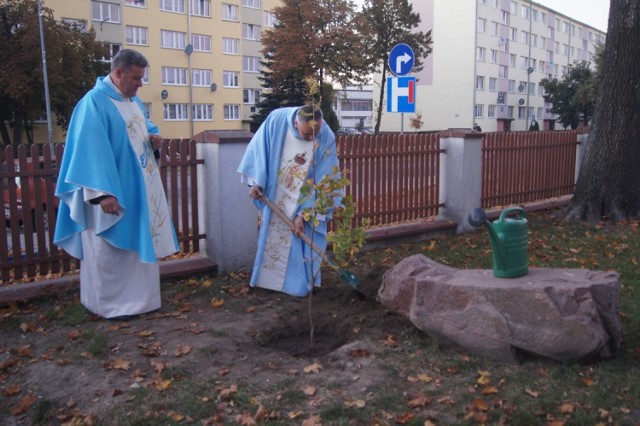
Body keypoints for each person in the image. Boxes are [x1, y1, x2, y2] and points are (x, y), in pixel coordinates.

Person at [54, 49, 179, 320]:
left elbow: (144, 130)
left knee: (137, 248)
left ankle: (143, 302)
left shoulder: (133, 102)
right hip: (111, 196)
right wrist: (103, 195)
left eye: (142, 78)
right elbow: (90, 151)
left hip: (139, 191)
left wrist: (153, 141)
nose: (140, 84)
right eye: (136, 78)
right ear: (118, 72)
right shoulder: (94, 103)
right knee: (110, 251)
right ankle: (110, 306)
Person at [237, 105, 340, 297]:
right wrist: (255, 182)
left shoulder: (325, 136)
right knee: (273, 235)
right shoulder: (276, 120)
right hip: (276, 193)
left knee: (304, 234)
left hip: (305, 197)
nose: (312, 139)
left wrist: (304, 213)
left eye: (315, 133)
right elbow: (259, 149)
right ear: (296, 123)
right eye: (307, 133)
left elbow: (326, 177)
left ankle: (300, 284)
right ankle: (270, 282)